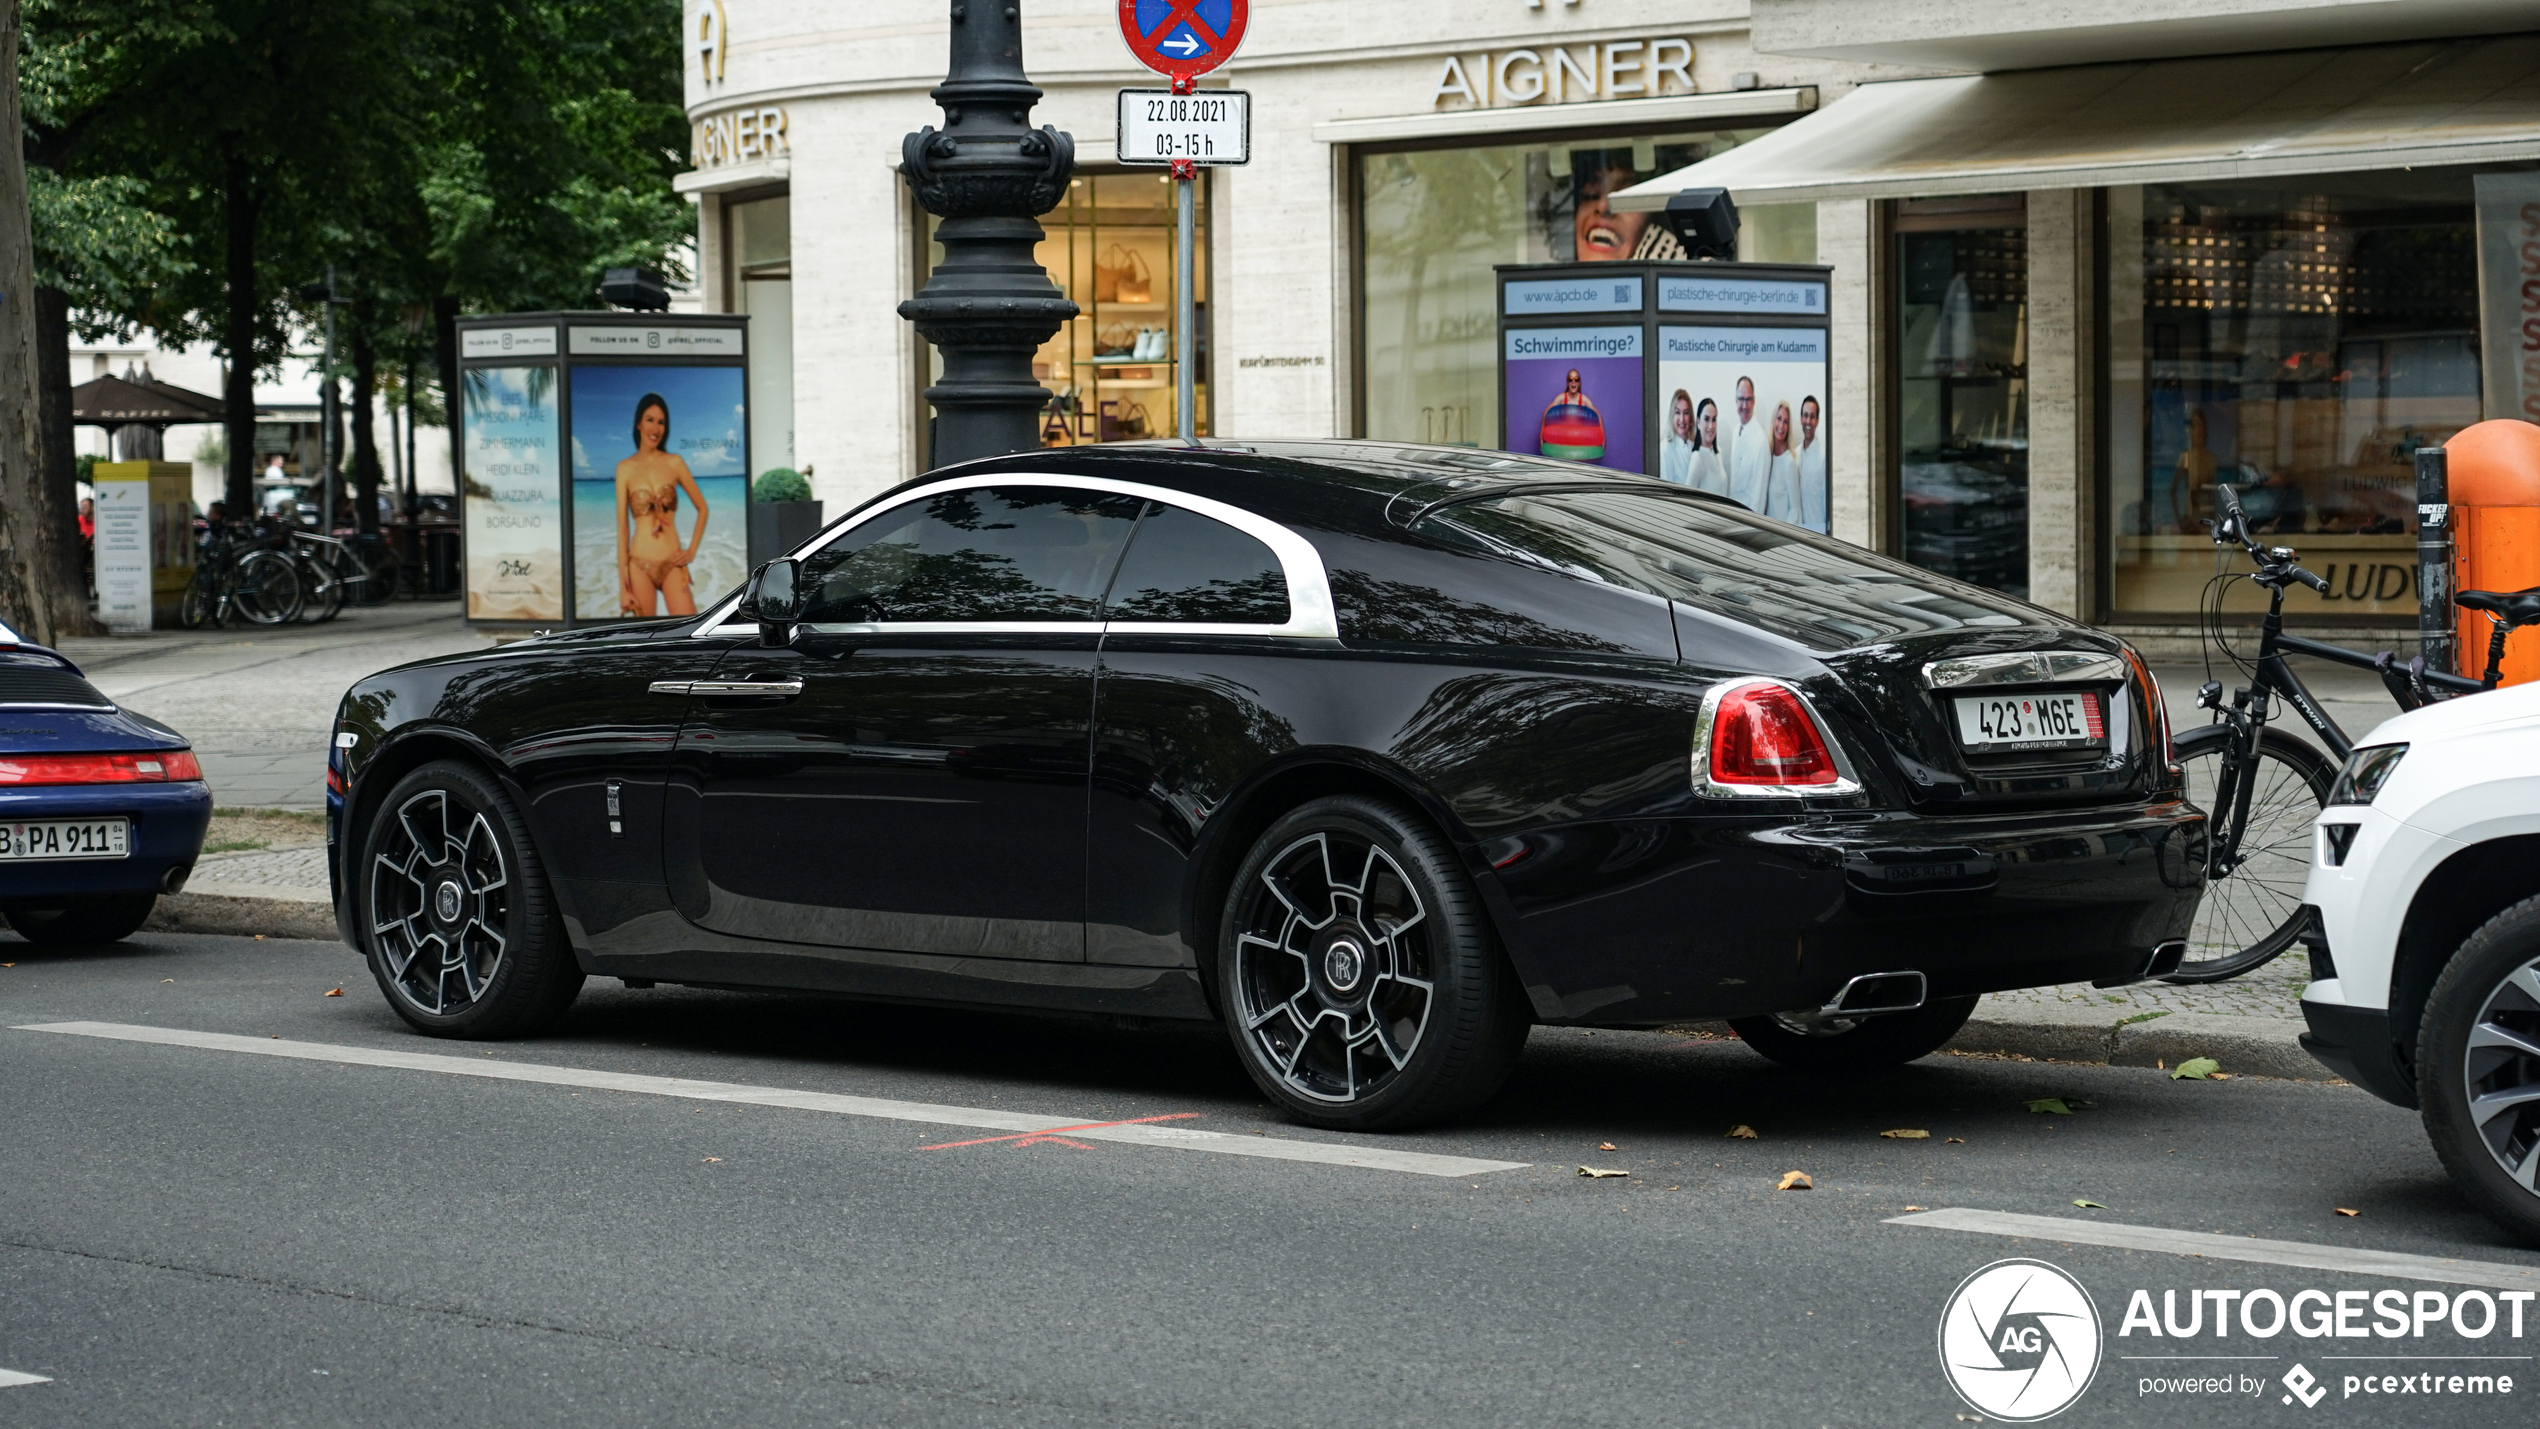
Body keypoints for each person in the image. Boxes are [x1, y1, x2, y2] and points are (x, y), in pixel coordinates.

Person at [616, 393, 709, 617]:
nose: (655, 428)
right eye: (649, 420)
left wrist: (691, 551)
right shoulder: (625, 469)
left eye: (661, 422)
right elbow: (622, 531)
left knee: (690, 637)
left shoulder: (674, 463)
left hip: (672, 563)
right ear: (638, 424)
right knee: (646, 644)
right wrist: (623, 587)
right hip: (639, 565)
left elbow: (703, 509)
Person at [1538, 369, 1606, 463]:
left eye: (1576, 379)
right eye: (1570, 379)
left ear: (1579, 382)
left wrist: (1602, 439)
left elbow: (1598, 417)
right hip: (1563, 444)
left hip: (1578, 444)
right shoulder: (1561, 398)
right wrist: (1541, 437)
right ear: (1567, 382)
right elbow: (1546, 413)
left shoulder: (1583, 400)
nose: (1573, 381)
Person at [1726, 376, 1770, 511]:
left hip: (1747, 522)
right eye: (1741, 399)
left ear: (1754, 401)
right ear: (1735, 400)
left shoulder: (1760, 441)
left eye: (1748, 399)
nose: (1744, 406)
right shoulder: (1735, 431)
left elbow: (1759, 497)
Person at [1762, 402, 1802, 523]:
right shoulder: (1766, 456)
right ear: (1773, 420)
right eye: (1779, 418)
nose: (1781, 425)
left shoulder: (1789, 463)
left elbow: (1795, 510)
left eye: (1786, 422)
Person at [1796, 396, 1827, 533]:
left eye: (1812, 417)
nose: (1808, 421)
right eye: (1805, 415)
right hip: (1796, 532)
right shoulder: (1795, 454)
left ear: (1817, 421)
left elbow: (1827, 504)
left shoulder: (1823, 457)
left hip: (1818, 532)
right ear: (1800, 418)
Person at [1689, 398, 1729, 496]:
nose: (1711, 426)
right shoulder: (1697, 458)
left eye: (1714, 419)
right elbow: (1687, 498)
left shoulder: (1718, 452)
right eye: (1706, 419)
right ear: (1698, 423)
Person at [1659, 389, 1696, 485]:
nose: (1682, 419)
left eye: (1686, 413)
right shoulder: (1665, 449)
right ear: (1672, 415)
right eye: (1677, 412)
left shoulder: (1694, 446)